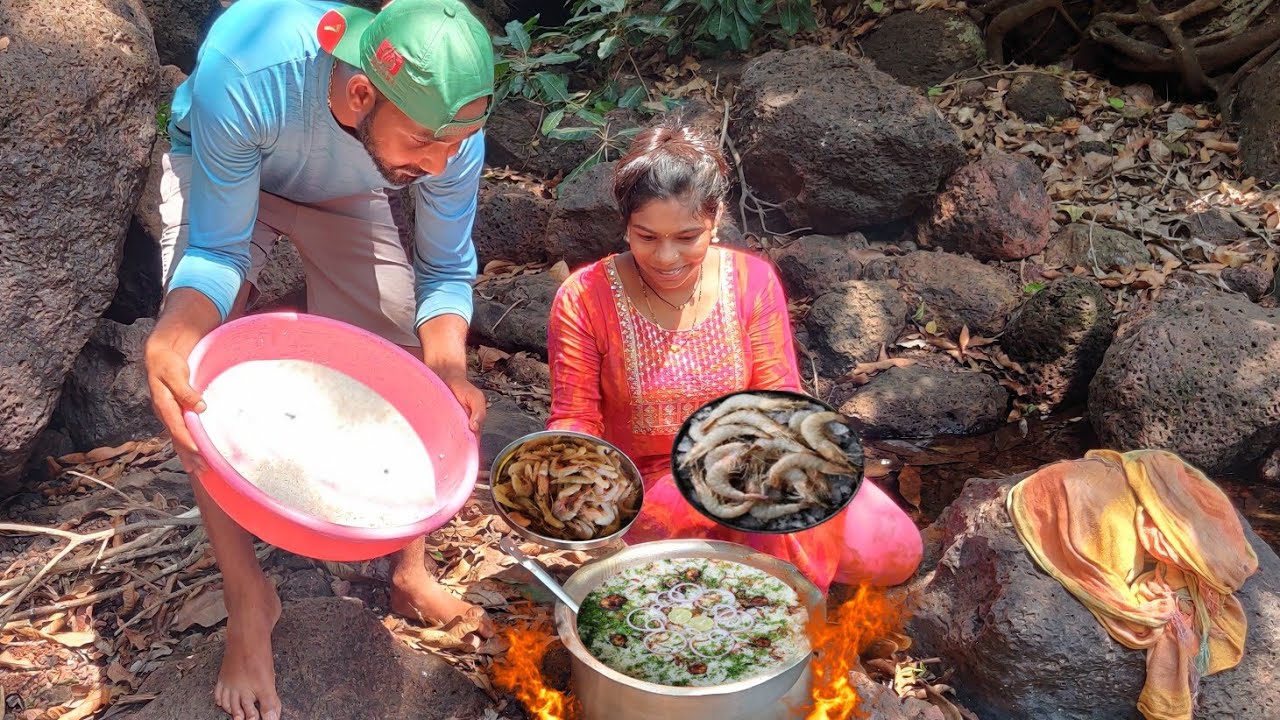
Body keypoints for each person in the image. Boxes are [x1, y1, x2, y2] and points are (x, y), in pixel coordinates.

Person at [142, 1, 495, 718]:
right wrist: (173, 335)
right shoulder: (247, 73)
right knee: (196, 379)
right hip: (226, 169)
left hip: (352, 180)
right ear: (362, 92)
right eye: (429, 142)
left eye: (460, 142)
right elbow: (217, 250)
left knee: (406, 350)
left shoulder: (447, 134)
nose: (443, 163)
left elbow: (447, 267)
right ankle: (250, 603)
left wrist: (449, 367)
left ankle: (410, 571)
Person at [545, 124, 923, 594]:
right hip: (651, 483)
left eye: (687, 237)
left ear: (716, 217)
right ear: (625, 225)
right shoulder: (584, 298)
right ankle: (777, 614)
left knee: (894, 551)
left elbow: (780, 396)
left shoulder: (751, 281)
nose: (665, 257)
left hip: (753, 458)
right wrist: (570, 477)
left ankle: (772, 579)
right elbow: (576, 418)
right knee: (755, 530)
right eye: (646, 237)